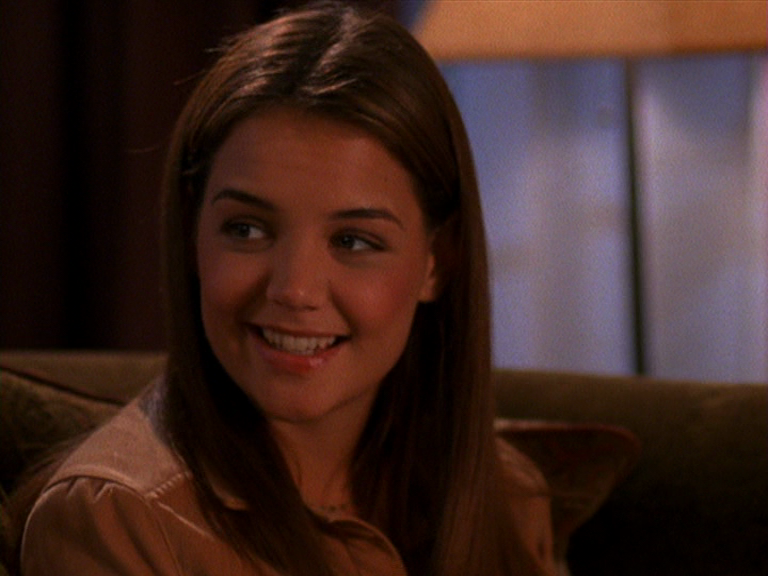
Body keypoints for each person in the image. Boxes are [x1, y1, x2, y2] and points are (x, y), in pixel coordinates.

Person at [13, 2, 556, 574]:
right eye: (246, 230)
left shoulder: (507, 495)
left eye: (353, 241)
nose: (295, 289)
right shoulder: (118, 521)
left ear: (437, 264)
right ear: (192, 233)